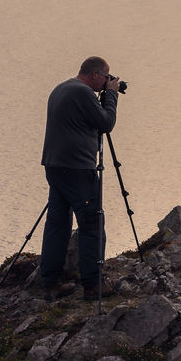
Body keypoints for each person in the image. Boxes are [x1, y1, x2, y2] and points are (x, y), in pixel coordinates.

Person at [38, 55, 120, 301]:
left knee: (58, 222)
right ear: (95, 75)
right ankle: (93, 285)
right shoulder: (83, 94)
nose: (107, 81)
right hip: (77, 169)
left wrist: (104, 95)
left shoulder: (61, 88)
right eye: (106, 77)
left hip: (55, 166)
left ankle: (50, 283)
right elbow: (105, 123)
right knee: (92, 223)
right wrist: (112, 95)